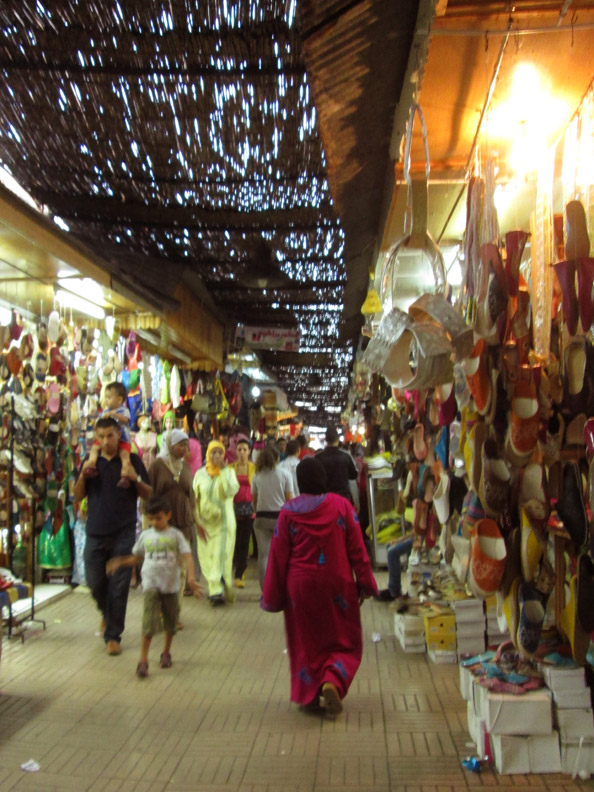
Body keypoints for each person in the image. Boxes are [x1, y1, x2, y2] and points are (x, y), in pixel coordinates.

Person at [261, 457, 378, 716]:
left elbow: (278, 557)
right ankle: (332, 680)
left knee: (306, 642)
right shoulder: (342, 506)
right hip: (338, 584)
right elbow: (358, 550)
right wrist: (367, 583)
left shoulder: (289, 512)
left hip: (300, 589)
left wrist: (272, 596)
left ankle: (310, 695)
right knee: (342, 639)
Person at [73, 416, 152, 655]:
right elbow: (77, 496)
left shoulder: (133, 460)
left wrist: (134, 478)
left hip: (123, 533)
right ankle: (107, 615)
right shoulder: (91, 461)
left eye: (110, 436)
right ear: (96, 438)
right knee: (95, 583)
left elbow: (148, 493)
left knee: (119, 587)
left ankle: (113, 635)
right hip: (95, 533)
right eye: (101, 437)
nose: (106, 441)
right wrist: (83, 475)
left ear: (119, 435)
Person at [106, 496, 202, 678]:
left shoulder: (176, 535)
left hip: (171, 586)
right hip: (150, 584)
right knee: (148, 624)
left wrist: (191, 579)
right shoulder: (145, 536)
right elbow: (137, 557)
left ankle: (166, 652)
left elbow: (188, 557)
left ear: (168, 515)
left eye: (158, 518)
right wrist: (120, 562)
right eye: (151, 518)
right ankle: (143, 660)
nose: (154, 522)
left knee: (170, 623)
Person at [148, 429, 204, 620]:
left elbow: (192, 497)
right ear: (170, 445)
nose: (185, 449)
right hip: (163, 526)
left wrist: (198, 522)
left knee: (179, 571)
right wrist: (149, 526)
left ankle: (174, 612)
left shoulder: (187, 468)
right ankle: (161, 608)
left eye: (186, 445)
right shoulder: (156, 466)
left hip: (184, 524)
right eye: (181, 445)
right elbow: (148, 497)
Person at [193, 439, 240, 605]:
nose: (217, 456)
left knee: (221, 555)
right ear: (208, 454)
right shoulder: (199, 474)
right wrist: (197, 521)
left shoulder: (229, 473)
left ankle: (215, 592)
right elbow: (195, 499)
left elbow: (230, 491)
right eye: (213, 452)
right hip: (205, 524)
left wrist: (223, 472)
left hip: (224, 523)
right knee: (207, 557)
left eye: (220, 452)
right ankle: (219, 586)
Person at [251, 445, 293, 589]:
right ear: (277, 458)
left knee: (264, 556)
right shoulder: (284, 474)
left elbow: (255, 501)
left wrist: (258, 511)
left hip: (261, 518)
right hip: (280, 518)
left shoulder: (256, 475)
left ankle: (265, 591)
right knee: (283, 554)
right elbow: (290, 499)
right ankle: (282, 587)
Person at [84, 382, 137, 485]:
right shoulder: (105, 411)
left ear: (119, 399)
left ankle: (125, 475)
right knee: (94, 448)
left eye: (109, 397)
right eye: (106, 397)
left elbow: (126, 420)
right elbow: (98, 423)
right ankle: (91, 465)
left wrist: (114, 415)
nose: (106, 400)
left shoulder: (124, 410)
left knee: (124, 455)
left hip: (122, 440)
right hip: (106, 440)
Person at [230, 436, 255, 588]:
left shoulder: (253, 468)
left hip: (250, 509)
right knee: (235, 541)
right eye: (239, 450)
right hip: (233, 508)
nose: (242, 452)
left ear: (249, 451)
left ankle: (240, 573)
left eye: (245, 450)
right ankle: (235, 567)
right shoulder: (230, 468)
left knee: (244, 541)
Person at [316, 426, 360, 510]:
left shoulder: (318, 457)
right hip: (343, 499)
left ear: (326, 440)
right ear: (338, 440)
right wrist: (356, 501)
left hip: (324, 501)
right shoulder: (346, 455)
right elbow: (354, 475)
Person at [376, 535, 414, 603]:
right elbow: (415, 531)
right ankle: (394, 588)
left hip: (422, 538)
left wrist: (400, 539)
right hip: (417, 536)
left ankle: (394, 591)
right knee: (389, 546)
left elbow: (420, 531)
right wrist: (400, 539)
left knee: (392, 553)